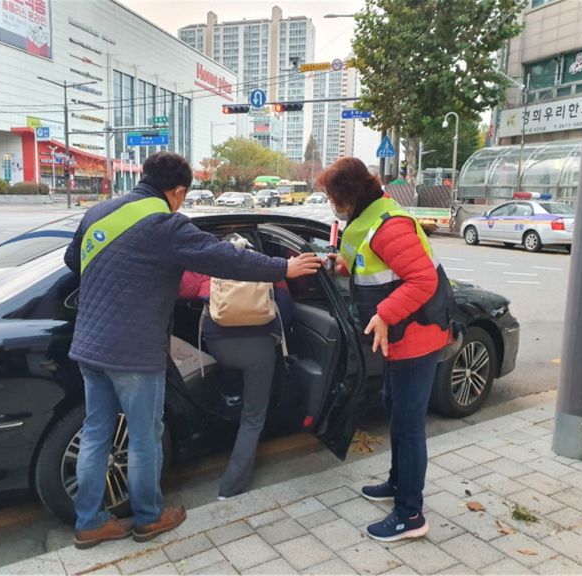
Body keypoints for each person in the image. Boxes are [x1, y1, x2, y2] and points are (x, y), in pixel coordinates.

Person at [64, 152, 322, 549]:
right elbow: (224, 258)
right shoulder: (165, 225)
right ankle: (148, 518)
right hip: (134, 351)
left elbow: (72, 259)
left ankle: (89, 522)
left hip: (89, 345)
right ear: (178, 191)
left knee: (97, 432)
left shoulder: (99, 212)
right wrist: (282, 269)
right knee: (145, 436)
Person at [318, 157, 454, 542]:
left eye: (332, 196)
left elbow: (422, 280)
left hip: (417, 336)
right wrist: (339, 267)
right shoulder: (370, 221)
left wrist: (383, 313)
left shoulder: (390, 226)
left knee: (409, 426)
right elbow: (373, 264)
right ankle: (398, 483)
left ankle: (411, 514)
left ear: (348, 196)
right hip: (399, 339)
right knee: (396, 412)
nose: (332, 203)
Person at [178, 261, 294, 499]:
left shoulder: (207, 269)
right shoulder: (268, 269)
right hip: (258, 349)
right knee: (253, 417)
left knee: (229, 371)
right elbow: (286, 311)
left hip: (219, 346)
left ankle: (230, 398)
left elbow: (180, 291)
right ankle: (230, 488)